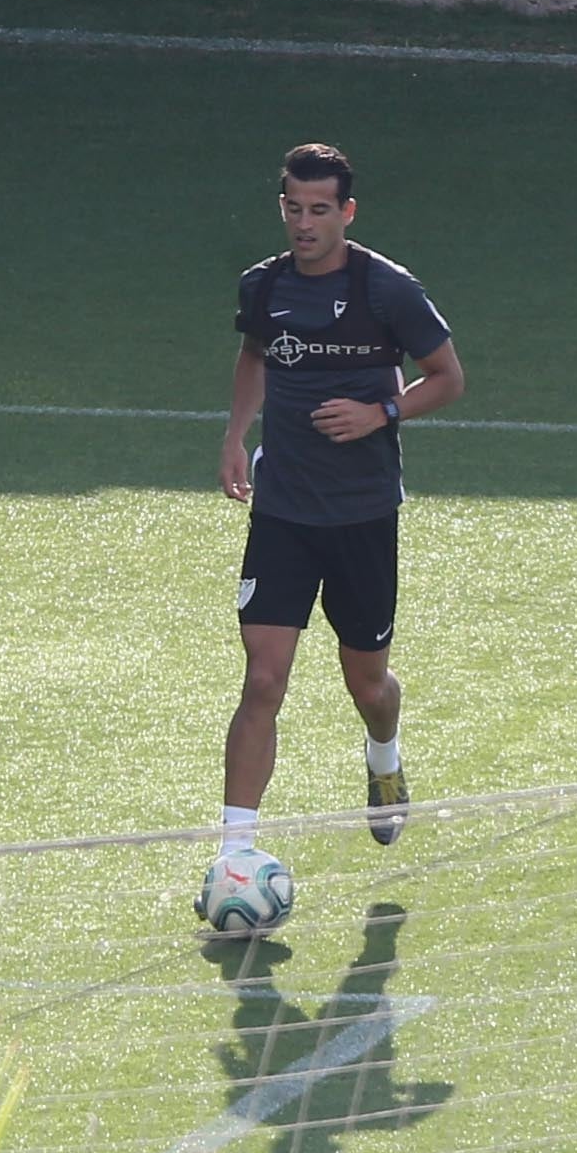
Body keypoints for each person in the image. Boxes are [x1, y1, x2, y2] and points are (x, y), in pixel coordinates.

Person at [213, 142, 464, 863]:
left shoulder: (387, 290)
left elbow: (446, 377)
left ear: (346, 212)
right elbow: (255, 354)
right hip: (283, 511)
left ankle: (383, 755)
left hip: (361, 514)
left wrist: (380, 413)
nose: (304, 223)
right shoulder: (262, 286)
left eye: (320, 210)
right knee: (263, 678)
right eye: (294, 208)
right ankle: (236, 853)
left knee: (369, 682)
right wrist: (235, 435)